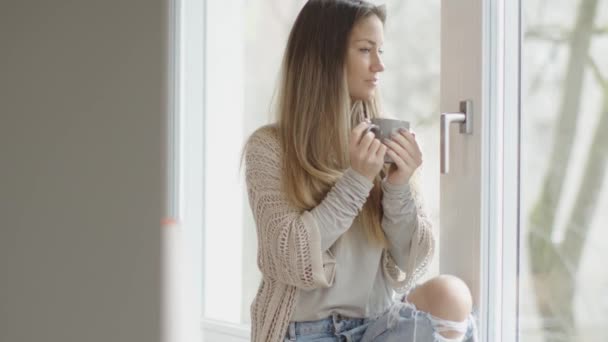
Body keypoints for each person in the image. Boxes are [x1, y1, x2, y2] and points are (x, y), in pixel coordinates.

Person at [241, 1, 477, 341]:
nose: (379, 65)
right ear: (325, 56)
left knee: (451, 295)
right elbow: (290, 258)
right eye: (366, 50)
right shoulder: (269, 148)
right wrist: (356, 181)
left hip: (378, 326)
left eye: (380, 50)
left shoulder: (379, 138)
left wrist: (398, 187)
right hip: (305, 333)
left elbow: (413, 259)